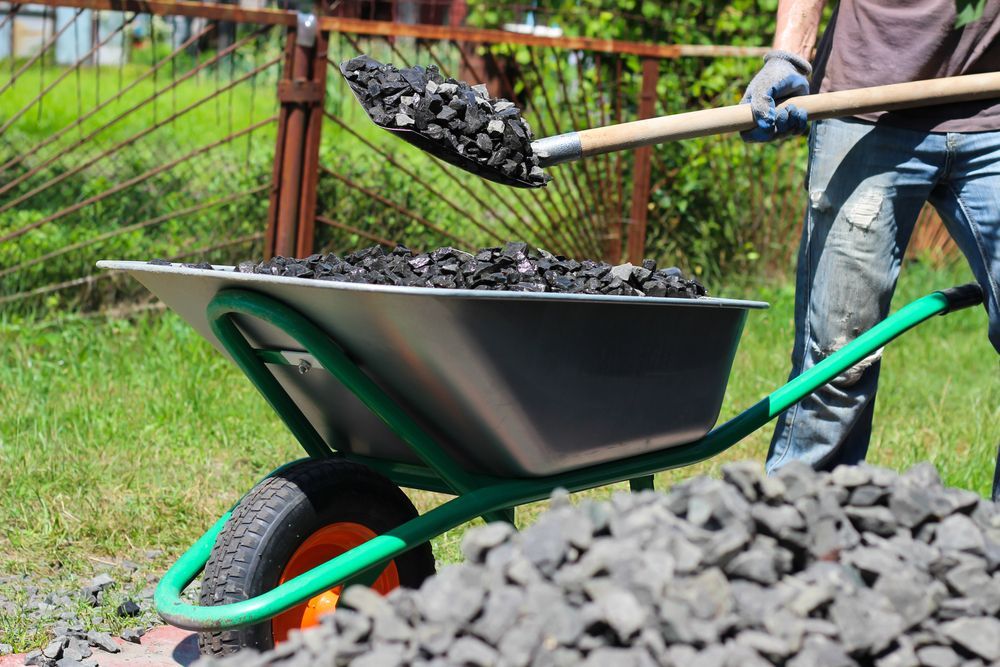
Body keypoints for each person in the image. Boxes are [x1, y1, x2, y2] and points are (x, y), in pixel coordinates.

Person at [740, 0, 1000, 501]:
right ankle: (803, 529)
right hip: (864, 108)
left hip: (992, 109)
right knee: (840, 356)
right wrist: (789, 59)